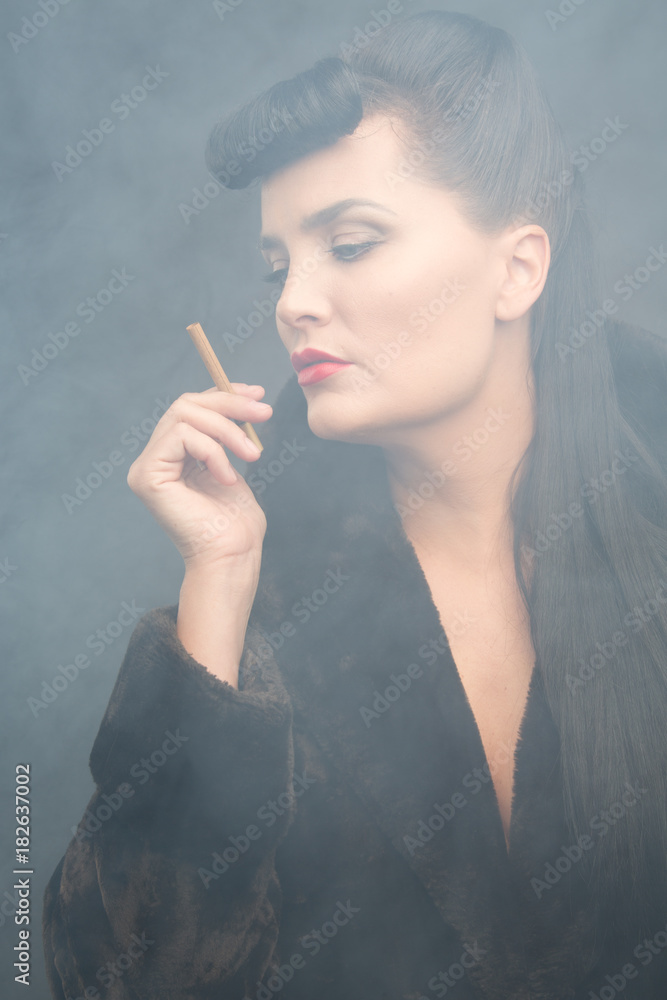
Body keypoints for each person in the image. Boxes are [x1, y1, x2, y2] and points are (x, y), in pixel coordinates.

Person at [43, 10, 667, 999]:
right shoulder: (264, 588)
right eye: (278, 265)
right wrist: (219, 590)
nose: (292, 301)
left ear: (517, 269)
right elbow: (122, 979)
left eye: (350, 242)